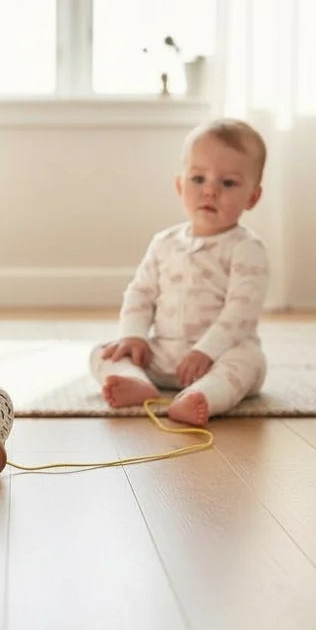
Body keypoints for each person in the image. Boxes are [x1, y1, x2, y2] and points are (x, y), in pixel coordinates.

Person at [89, 119, 269, 427]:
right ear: (179, 185)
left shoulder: (246, 248)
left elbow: (241, 312)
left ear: (252, 197)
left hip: (219, 356)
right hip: (163, 355)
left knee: (249, 362)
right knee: (102, 354)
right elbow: (140, 293)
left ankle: (202, 397)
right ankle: (137, 383)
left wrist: (206, 352)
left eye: (228, 183)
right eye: (198, 178)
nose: (210, 190)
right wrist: (134, 336)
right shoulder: (164, 243)